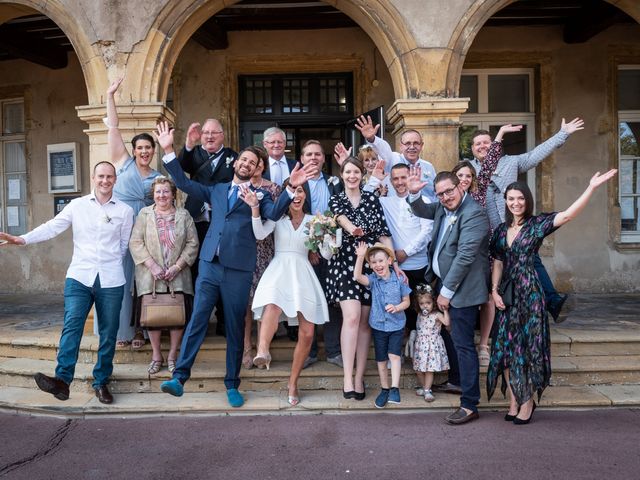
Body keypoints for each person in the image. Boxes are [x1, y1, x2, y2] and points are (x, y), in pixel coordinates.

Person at [155, 122, 313, 407]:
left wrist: (291, 186)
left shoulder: (262, 195)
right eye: (243, 159)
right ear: (236, 163)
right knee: (198, 319)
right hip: (210, 265)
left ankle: (232, 383)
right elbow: (184, 184)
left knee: (234, 328)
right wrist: (168, 149)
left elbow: (276, 214)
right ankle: (179, 377)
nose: (246, 164)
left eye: (252, 163)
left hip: (239, 269)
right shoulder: (217, 189)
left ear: (256, 169)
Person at [488, 169, 617, 425]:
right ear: (506, 201)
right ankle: (514, 399)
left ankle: (527, 402)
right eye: (511, 198)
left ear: (528, 201)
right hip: (508, 295)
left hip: (531, 293)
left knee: (527, 347)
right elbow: (498, 262)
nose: (516, 203)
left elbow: (568, 215)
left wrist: (591, 187)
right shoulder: (501, 230)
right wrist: (494, 291)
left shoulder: (536, 225)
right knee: (504, 348)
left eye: (521, 198)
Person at [0, 162, 134, 404]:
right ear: (93, 178)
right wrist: (22, 239)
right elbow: (52, 227)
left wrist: (109, 262)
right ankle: (62, 381)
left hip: (111, 279)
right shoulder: (78, 205)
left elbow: (123, 247)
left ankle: (101, 382)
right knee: (72, 325)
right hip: (79, 277)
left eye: (109, 177)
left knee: (108, 333)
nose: (105, 180)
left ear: (115, 180)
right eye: (101, 176)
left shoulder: (125, 211)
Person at [467, 118, 585, 321]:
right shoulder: (469, 170)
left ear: (495, 144)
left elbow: (536, 155)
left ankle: (552, 301)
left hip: (514, 227)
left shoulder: (512, 162)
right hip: (484, 232)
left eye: (486, 142)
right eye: (478, 144)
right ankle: (484, 316)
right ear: (472, 149)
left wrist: (562, 133)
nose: (482, 146)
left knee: (531, 260)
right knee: (488, 271)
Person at [408, 169, 490, 425]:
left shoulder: (474, 213)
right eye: (440, 194)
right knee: (454, 341)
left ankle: (469, 404)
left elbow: (465, 256)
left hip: (462, 291)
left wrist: (446, 292)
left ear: (461, 186)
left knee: (464, 346)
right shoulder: (443, 208)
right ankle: (458, 383)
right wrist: (414, 193)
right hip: (445, 284)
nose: (445, 197)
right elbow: (422, 209)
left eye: (449, 191)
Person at [247, 183, 329, 405]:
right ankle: (263, 351)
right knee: (272, 305)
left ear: (305, 196)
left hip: (302, 271)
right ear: (285, 196)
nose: (297, 195)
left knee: (308, 333)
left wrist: (327, 233)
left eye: (301, 191)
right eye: (293, 191)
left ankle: (293, 381)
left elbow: (326, 253)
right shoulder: (277, 220)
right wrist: (255, 209)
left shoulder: (315, 221)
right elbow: (259, 233)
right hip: (279, 269)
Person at [328, 157, 399, 400]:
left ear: (362, 175)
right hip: (345, 265)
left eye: (356, 171)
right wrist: (353, 230)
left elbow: (383, 234)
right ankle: (347, 377)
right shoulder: (336, 198)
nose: (352, 176)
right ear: (342, 174)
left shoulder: (371, 199)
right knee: (352, 317)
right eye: (348, 171)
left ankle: (359, 377)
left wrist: (395, 265)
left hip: (372, 265)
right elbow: (341, 219)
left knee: (366, 323)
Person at [102, 78, 163, 349]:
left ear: (153, 151)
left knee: (144, 283)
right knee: (122, 281)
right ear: (134, 150)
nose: (144, 152)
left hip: (147, 232)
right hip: (122, 229)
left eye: (149, 148)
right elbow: (113, 128)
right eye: (140, 148)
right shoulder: (123, 163)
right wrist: (110, 95)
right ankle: (122, 332)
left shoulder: (159, 177)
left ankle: (142, 330)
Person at [452, 124, 520, 367]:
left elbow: (489, 165)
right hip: (459, 257)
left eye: (468, 176)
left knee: (489, 297)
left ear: (473, 179)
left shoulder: (478, 195)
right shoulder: (448, 199)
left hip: (484, 253)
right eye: (459, 176)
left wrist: (499, 137)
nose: (463, 180)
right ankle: (465, 342)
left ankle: (484, 345)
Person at [129, 176, 199, 375]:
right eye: (158, 192)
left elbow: (193, 243)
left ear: (173, 194)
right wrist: (152, 266)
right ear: (153, 194)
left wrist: (177, 267)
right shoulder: (144, 214)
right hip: (151, 276)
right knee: (153, 317)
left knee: (177, 317)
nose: (161, 195)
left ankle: (172, 355)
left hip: (178, 274)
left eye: (166, 191)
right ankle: (156, 355)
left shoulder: (184, 215)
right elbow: (135, 242)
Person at [177, 118, 238, 337]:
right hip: (196, 221)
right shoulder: (194, 154)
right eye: (206, 133)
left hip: (222, 222)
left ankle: (222, 319)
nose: (210, 136)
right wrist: (188, 144)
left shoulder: (234, 157)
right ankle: (196, 321)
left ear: (223, 135)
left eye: (214, 133)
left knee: (223, 268)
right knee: (195, 269)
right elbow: (181, 167)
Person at [298, 140, 344, 369]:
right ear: (302, 158)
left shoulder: (334, 182)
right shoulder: (296, 184)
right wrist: (309, 250)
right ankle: (310, 351)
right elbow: (293, 218)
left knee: (333, 301)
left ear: (324, 159)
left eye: (317, 154)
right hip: (307, 253)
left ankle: (334, 351)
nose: (313, 158)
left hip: (334, 252)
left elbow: (343, 214)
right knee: (309, 302)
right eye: (309, 154)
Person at [354, 242, 411, 408]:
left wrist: (397, 307)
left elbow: (407, 301)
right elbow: (358, 277)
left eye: (380, 261)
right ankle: (384, 389)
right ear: (370, 265)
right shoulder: (373, 280)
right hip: (378, 325)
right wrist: (360, 257)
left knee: (394, 356)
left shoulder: (399, 279)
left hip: (396, 325)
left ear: (389, 261)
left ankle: (395, 388)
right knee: (381, 359)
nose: (378, 265)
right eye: (373, 262)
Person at [377, 163, 433, 332]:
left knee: (421, 309)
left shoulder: (425, 201)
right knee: (398, 311)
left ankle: (423, 352)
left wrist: (406, 252)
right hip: (395, 269)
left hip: (419, 267)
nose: (400, 182)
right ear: (391, 181)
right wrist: (374, 179)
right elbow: (364, 197)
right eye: (395, 178)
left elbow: (427, 232)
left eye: (403, 177)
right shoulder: (384, 202)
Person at [242, 150, 281, 369]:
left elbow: (276, 216)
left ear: (263, 166)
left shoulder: (273, 189)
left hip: (266, 248)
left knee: (262, 299)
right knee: (246, 303)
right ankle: (247, 346)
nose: (254, 168)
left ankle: (261, 347)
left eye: (258, 164)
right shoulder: (240, 187)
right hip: (244, 247)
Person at [355, 115, 437, 201]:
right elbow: (384, 149)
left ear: (421, 145)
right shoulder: (393, 159)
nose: (412, 147)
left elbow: (435, 194)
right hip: (396, 211)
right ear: (401, 146)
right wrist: (372, 139)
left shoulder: (429, 167)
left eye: (416, 143)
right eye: (407, 143)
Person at [411, 284, 450, 403]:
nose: (425, 306)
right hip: (420, 346)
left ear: (433, 302)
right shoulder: (419, 315)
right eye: (422, 303)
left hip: (432, 346)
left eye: (428, 303)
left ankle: (428, 390)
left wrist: (445, 311)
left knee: (429, 369)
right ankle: (425, 387)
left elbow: (447, 323)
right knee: (418, 369)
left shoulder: (436, 315)